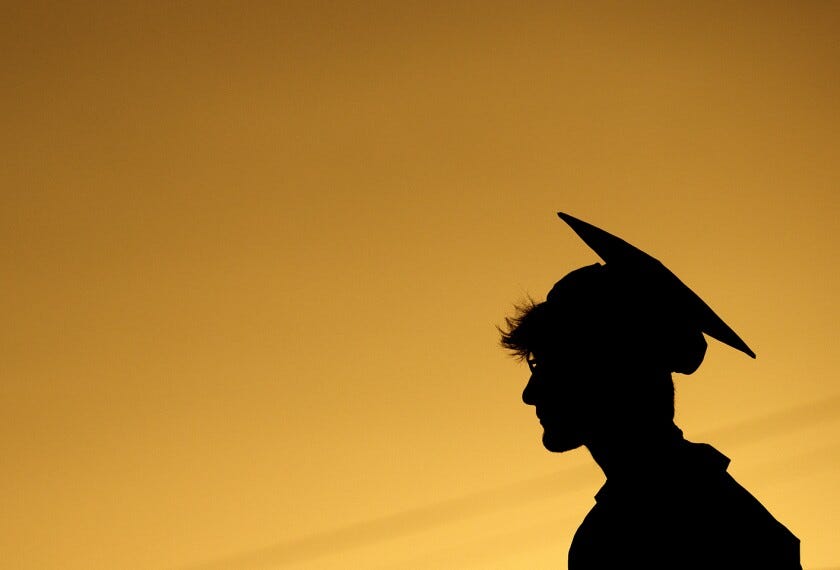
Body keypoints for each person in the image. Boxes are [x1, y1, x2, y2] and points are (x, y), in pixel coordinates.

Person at [500, 213, 800, 569]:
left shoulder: (652, 526)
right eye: (538, 365)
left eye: (551, 364)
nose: (530, 394)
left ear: (612, 368)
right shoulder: (687, 504)